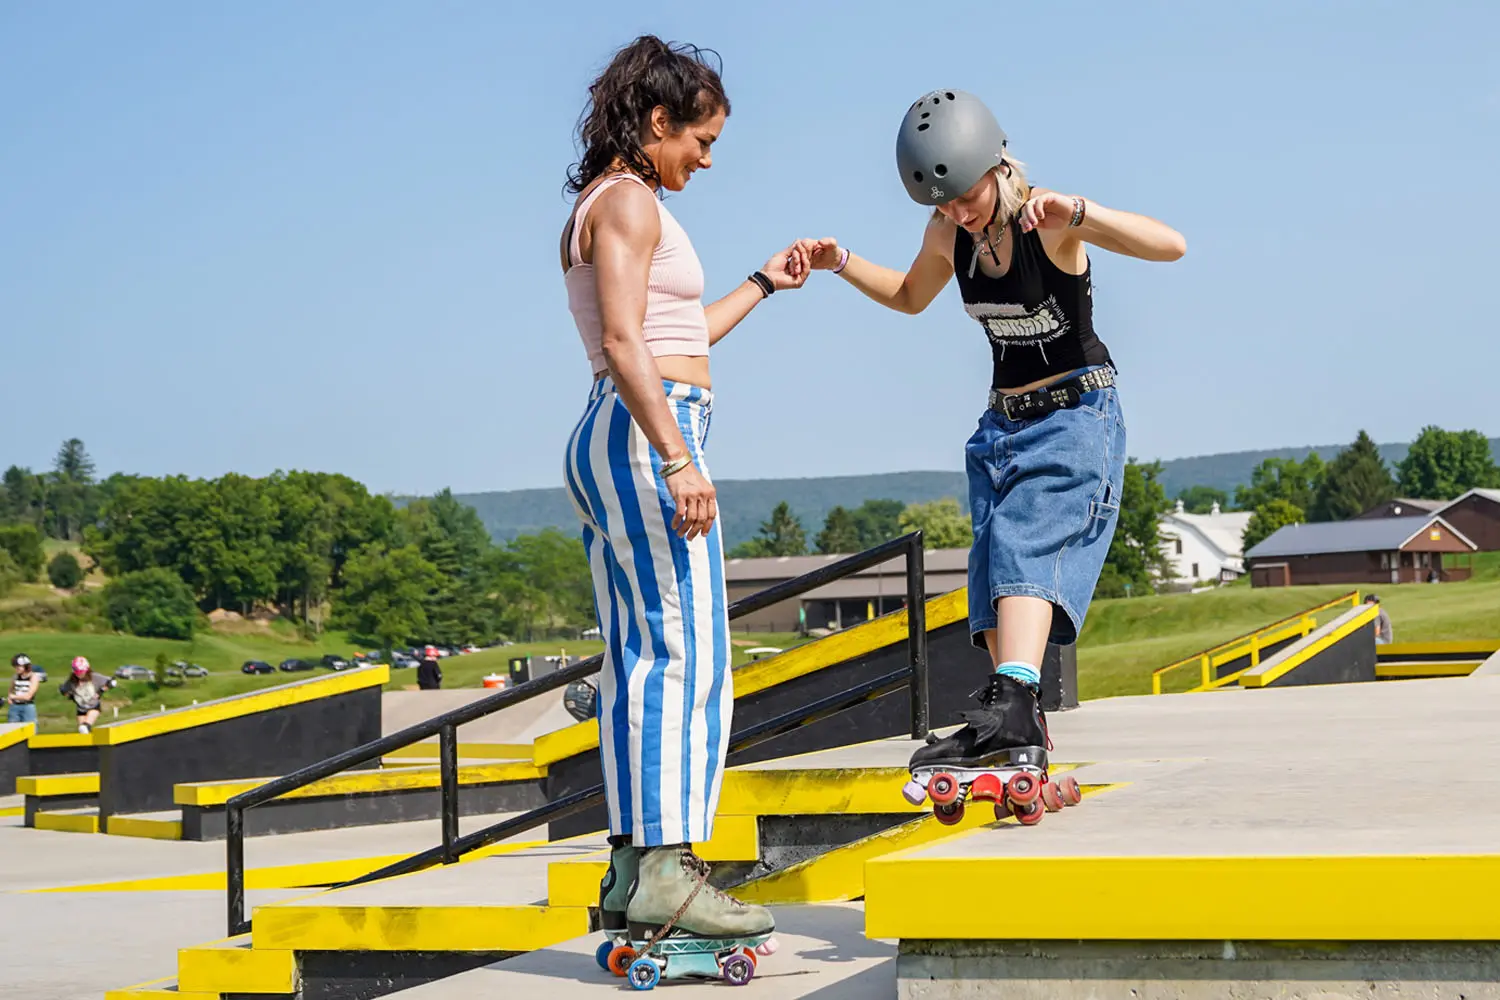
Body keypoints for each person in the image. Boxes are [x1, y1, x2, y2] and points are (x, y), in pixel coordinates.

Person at [797, 89, 1185, 773]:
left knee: (1021, 545)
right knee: (990, 572)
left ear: (997, 162)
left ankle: (1014, 707)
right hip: (1001, 430)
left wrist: (1083, 212)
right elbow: (911, 296)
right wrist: (841, 261)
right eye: (940, 204)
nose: (955, 212)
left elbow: (1170, 246)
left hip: (1075, 416)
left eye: (963, 195)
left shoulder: (1049, 222)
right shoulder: (949, 236)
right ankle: (1011, 715)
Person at [560, 35, 802, 958]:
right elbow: (628, 344)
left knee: (638, 654)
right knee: (687, 652)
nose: (706, 158)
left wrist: (761, 285)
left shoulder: (614, 201)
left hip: (624, 428)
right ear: (656, 121)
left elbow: (671, 331)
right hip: (644, 431)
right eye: (699, 139)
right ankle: (667, 868)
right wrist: (677, 458)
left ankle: (630, 866)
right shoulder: (627, 201)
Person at [59, 656, 114, 733]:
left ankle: (88, 727)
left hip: (93, 707)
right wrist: (71, 696)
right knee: (83, 731)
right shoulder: (72, 680)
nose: (79, 675)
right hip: (81, 708)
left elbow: (111, 682)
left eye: (81, 672)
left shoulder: (94, 677)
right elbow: (63, 690)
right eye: (77, 672)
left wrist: (100, 691)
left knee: (85, 726)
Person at [7, 654, 39, 725]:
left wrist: (13, 697)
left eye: (18, 666)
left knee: (29, 730)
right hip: (15, 706)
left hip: (27, 707)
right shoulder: (15, 676)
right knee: (12, 730)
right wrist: (9, 697)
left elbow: (28, 696)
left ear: (26, 666)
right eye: (15, 666)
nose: (16, 668)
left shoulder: (33, 677)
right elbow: (10, 689)